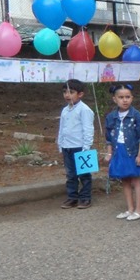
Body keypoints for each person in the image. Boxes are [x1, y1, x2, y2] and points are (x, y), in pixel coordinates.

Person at [103, 83, 140, 220]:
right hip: (119, 152)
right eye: (121, 97)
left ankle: (139, 209)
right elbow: (109, 138)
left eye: (127, 97)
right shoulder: (111, 117)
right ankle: (130, 208)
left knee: (135, 179)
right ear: (115, 99)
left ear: (132, 98)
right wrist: (109, 153)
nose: (125, 100)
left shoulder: (137, 115)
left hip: (133, 152)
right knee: (125, 181)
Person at [56, 79, 94, 209]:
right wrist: (60, 144)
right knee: (70, 174)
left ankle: (85, 198)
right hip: (67, 147)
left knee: (84, 174)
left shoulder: (84, 110)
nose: (67, 95)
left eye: (71, 92)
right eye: (65, 92)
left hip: (80, 147)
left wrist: (86, 147)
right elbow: (62, 128)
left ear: (80, 94)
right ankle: (72, 197)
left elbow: (88, 129)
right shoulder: (65, 110)